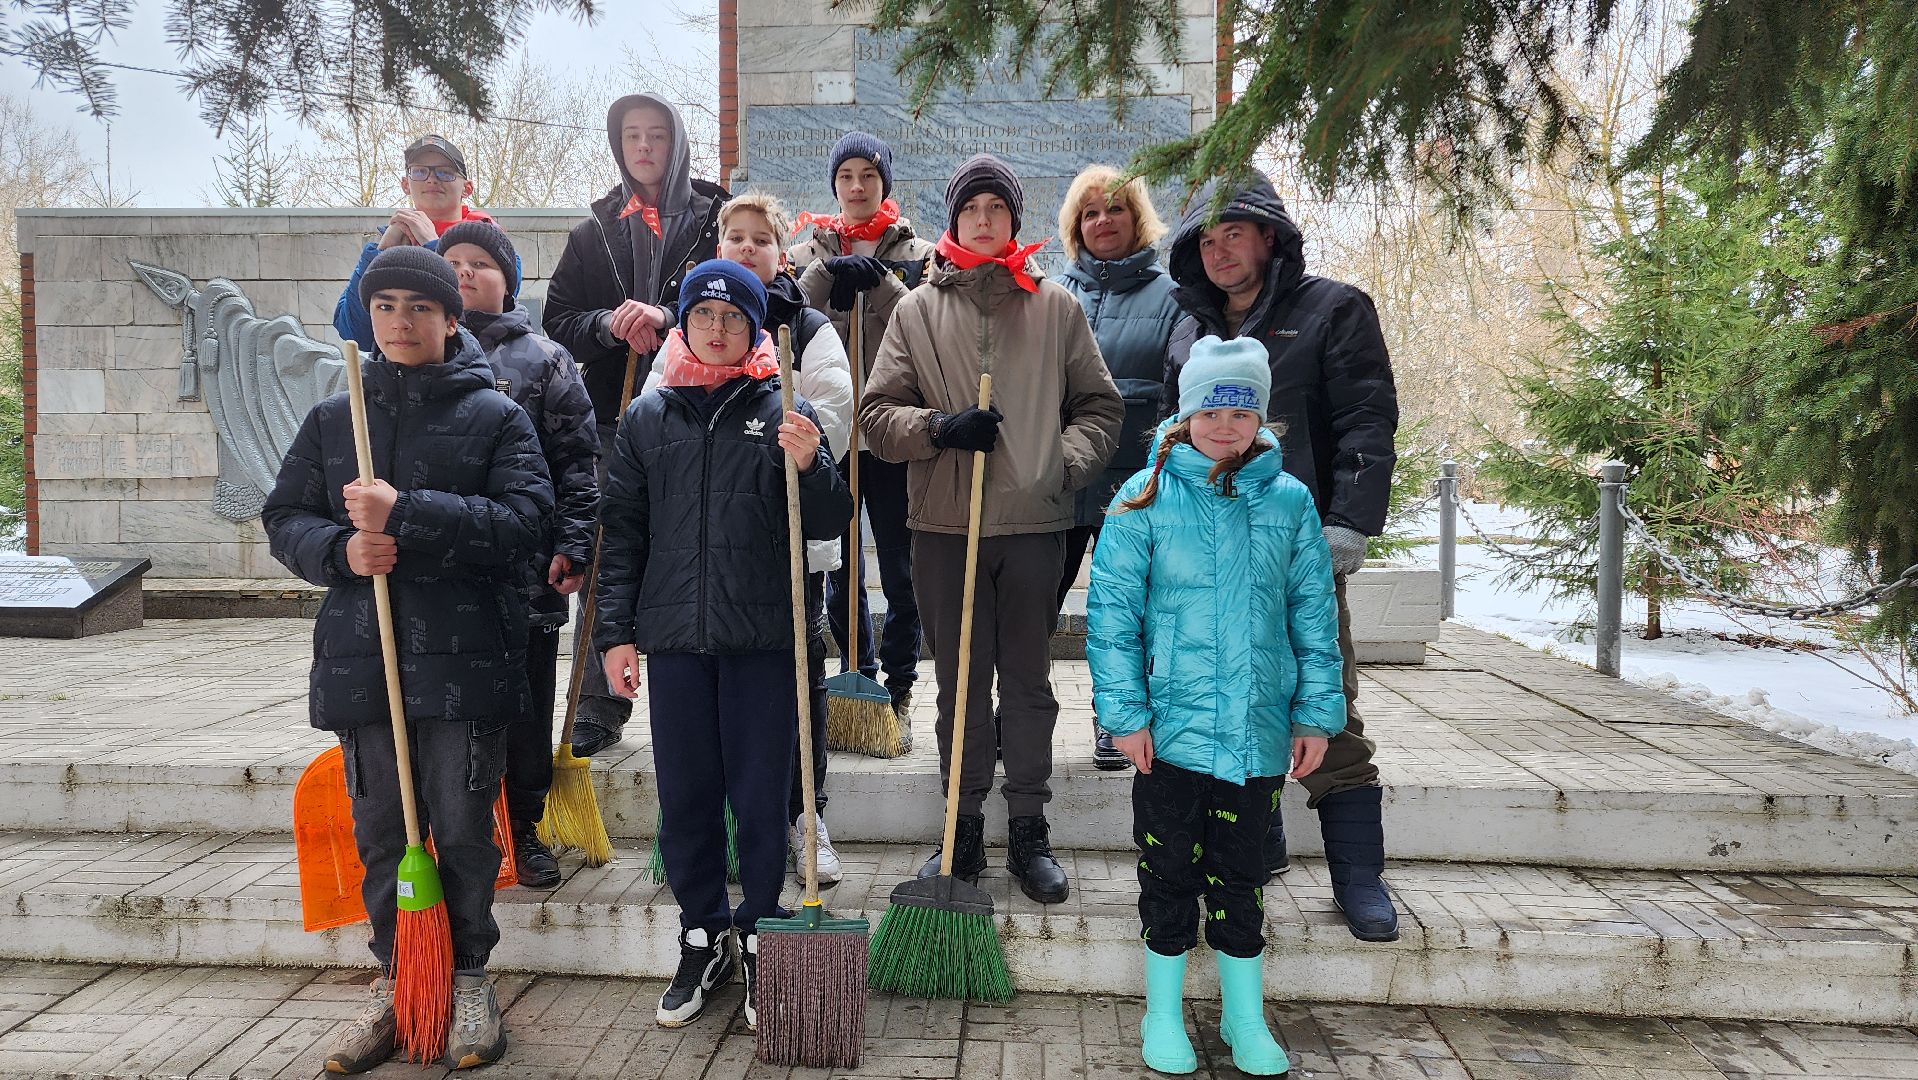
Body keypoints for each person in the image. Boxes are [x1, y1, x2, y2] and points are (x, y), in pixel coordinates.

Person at [263, 247, 554, 1072]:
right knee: (384, 830)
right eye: (384, 306)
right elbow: (284, 516)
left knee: (460, 827)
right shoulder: (331, 420)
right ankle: (399, 983)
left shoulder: (495, 415)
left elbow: (525, 521)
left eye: (418, 308)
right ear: (367, 317)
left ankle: (464, 979)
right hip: (366, 660)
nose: (400, 322)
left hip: (464, 660)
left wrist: (407, 511)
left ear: (451, 318)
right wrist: (340, 551)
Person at [594, 260, 852, 1032]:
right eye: (703, 317)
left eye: (732, 319)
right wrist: (615, 634)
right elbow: (624, 534)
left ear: (752, 330)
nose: (716, 329)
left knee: (761, 795)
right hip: (674, 643)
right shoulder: (647, 419)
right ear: (683, 325)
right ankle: (702, 934)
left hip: (762, 640)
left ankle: (763, 927)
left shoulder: (783, 409)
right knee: (688, 798)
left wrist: (812, 463)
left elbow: (830, 519)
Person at [861, 153, 1123, 905]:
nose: (984, 219)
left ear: (1014, 221)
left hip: (1034, 526)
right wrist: (939, 427)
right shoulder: (916, 312)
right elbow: (878, 418)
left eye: (997, 209)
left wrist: (1056, 464)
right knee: (962, 686)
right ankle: (962, 824)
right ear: (953, 222)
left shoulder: (1055, 308)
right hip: (946, 526)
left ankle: (1031, 827)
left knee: (1030, 684)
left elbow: (1099, 408)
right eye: (971, 208)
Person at [1087, 335, 1346, 1077]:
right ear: (1186, 413)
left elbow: (1312, 613)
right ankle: (1161, 1013)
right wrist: (1126, 715)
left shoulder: (1289, 500)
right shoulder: (1143, 495)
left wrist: (1314, 714)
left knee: (1242, 878)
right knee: (1167, 873)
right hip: (1170, 734)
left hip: (1257, 733)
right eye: (1211, 408)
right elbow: (1111, 615)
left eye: (1241, 409)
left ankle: (1243, 1015)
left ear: (1260, 415)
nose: (1225, 424)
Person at [1163, 168, 1400, 942]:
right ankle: (1253, 843)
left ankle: (1359, 878)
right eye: (1207, 237)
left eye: (1236, 232)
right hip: (1205, 561)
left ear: (1271, 236)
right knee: (1229, 701)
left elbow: (1367, 418)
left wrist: (1347, 522)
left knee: (1326, 701)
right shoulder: (1185, 328)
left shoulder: (1333, 310)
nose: (1220, 250)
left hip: (1296, 554)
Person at [639, 192, 855, 884]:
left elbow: (839, 413)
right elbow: (654, 426)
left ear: (780, 249)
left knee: (797, 681)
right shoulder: (688, 329)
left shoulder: (808, 324)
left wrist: (789, 431)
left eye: (761, 238)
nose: (747, 247)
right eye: (734, 236)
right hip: (697, 563)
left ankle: (803, 812)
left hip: (781, 543)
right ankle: (728, 836)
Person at [544, 92, 729, 758]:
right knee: (604, 552)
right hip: (611, 416)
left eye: (656, 134)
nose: (644, 147)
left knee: (697, 551)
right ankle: (598, 702)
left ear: (677, 141)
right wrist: (606, 324)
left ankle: (707, 694)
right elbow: (558, 319)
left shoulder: (717, 217)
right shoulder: (593, 231)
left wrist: (672, 316)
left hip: (699, 410)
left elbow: (746, 293)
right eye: (631, 136)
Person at [439, 220, 601, 890]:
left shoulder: (543, 359)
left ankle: (527, 824)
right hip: (443, 577)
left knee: (526, 703)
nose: (466, 272)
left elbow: (578, 464)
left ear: (509, 278)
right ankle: (461, 831)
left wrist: (573, 541)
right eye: (452, 262)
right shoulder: (419, 353)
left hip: (526, 575)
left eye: (481, 262)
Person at [788, 131, 937, 731]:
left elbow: (925, 327)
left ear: (884, 184)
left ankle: (900, 681)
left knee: (901, 567)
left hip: (890, 431)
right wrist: (827, 277)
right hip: (832, 436)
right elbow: (789, 318)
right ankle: (858, 672)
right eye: (845, 175)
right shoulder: (805, 254)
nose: (856, 186)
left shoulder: (920, 255)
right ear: (834, 184)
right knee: (841, 566)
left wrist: (878, 282)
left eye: (868, 176)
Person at [1053, 164, 1183, 772]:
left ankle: (1117, 719)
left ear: (1138, 219)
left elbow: (1174, 386)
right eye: (1090, 212)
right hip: (1064, 472)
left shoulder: (1173, 294)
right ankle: (1018, 715)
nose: (1103, 221)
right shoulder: (1055, 293)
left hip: (1137, 475)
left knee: (1126, 605)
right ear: (1075, 225)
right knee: (1035, 603)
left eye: (1115, 209)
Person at [332, 135, 502, 351]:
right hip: (399, 379)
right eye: (420, 171)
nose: (432, 179)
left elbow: (480, 323)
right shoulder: (387, 245)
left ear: (467, 188)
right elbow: (355, 334)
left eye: (445, 172)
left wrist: (433, 246)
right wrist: (379, 254)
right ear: (406, 184)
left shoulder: (492, 243)